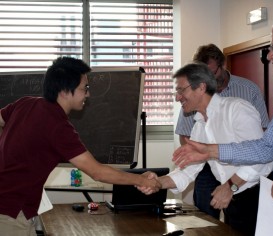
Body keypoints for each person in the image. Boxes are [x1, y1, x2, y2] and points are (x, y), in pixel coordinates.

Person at [0, 56, 161, 236]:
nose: (88, 94)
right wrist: (142, 180)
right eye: (84, 88)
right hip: (10, 213)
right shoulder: (58, 126)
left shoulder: (25, 103)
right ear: (64, 91)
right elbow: (97, 172)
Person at [172, 13, 273, 236]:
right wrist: (210, 151)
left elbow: (261, 157)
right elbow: (265, 147)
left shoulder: (239, 103)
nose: (269, 55)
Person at [139, 62, 273, 236]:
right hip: (232, 198)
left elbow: (262, 158)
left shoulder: (237, 109)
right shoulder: (199, 126)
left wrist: (230, 186)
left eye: (181, 90)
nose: (177, 97)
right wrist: (158, 182)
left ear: (201, 87)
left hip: (256, 196)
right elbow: (187, 172)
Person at [175, 44, 270, 220]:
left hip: (249, 183)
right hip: (212, 170)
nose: (209, 78)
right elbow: (186, 137)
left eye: (212, 72)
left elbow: (261, 149)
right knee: (207, 221)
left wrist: (230, 185)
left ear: (222, 65)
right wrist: (158, 181)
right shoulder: (197, 116)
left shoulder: (244, 97)